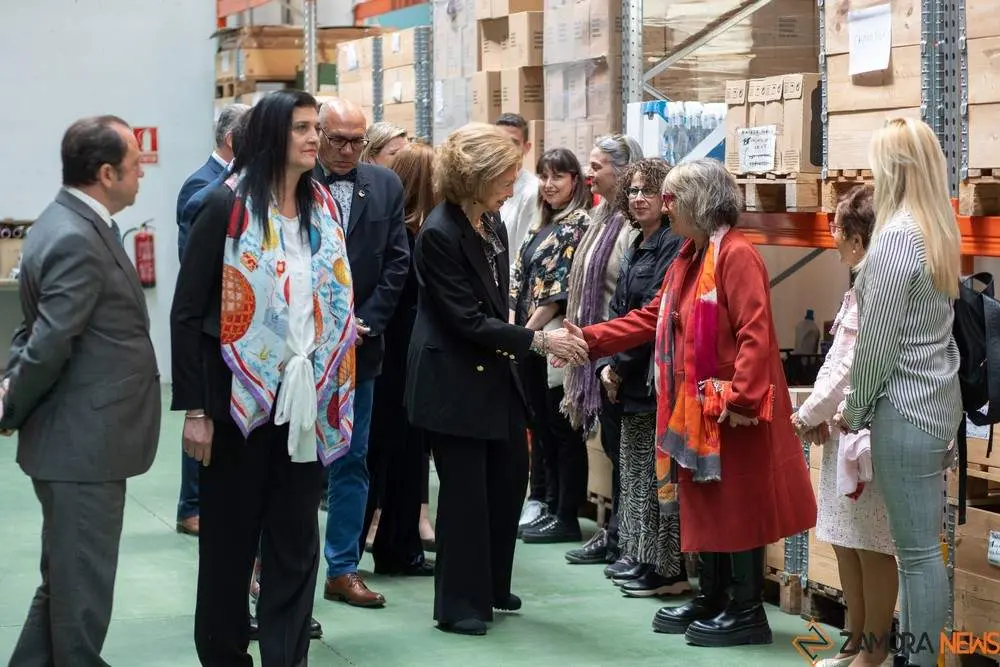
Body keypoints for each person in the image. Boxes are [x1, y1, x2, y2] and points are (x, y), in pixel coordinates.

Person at [559, 158, 816, 646]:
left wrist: (741, 400)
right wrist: (589, 339)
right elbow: (652, 316)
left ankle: (746, 610)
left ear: (698, 203)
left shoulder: (737, 255)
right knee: (709, 502)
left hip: (732, 410)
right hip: (699, 408)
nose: (665, 206)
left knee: (737, 505)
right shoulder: (691, 255)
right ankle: (713, 597)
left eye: (672, 198)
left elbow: (755, 333)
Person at [170, 89, 357, 666]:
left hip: (307, 401)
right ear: (272, 135)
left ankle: (286, 656)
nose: (314, 138)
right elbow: (187, 313)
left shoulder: (323, 207)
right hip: (238, 402)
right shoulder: (223, 206)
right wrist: (196, 410)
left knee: (296, 541)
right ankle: (224, 655)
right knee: (229, 544)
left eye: (315, 127)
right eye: (302, 127)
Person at [405, 123, 588, 636]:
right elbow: (465, 319)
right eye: (506, 177)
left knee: (509, 475)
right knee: (464, 493)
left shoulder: (491, 223)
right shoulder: (439, 234)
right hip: (452, 376)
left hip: (492, 367)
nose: (514, 186)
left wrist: (521, 336)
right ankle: (459, 604)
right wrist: (539, 341)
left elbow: (496, 302)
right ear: (476, 177)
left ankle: (490, 582)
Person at [0, 115, 160, 666]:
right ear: (106, 173)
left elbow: (35, 329)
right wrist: (10, 404)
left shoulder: (66, 222)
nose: (142, 175)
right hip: (82, 443)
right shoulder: (75, 236)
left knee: (65, 582)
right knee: (82, 592)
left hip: (79, 439)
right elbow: (48, 342)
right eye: (135, 166)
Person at [836, 117, 963, 667]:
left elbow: (877, 342)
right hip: (935, 406)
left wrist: (855, 408)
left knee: (916, 556)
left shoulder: (894, 239)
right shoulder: (938, 231)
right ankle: (916, 658)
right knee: (919, 554)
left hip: (903, 410)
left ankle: (919, 660)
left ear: (892, 168)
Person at [792, 185, 898, 667]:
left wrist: (806, 414)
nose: (831, 235)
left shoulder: (876, 285)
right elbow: (836, 361)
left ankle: (874, 653)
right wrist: (818, 414)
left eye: (836, 226)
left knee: (872, 546)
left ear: (857, 237)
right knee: (845, 541)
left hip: (868, 431)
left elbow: (851, 365)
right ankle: (855, 643)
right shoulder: (861, 282)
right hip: (842, 430)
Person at [316, 97, 409, 609]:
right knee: (293, 463)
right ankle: (267, 565)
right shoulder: (293, 182)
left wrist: (365, 322)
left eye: (357, 141)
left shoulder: (386, 185)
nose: (347, 150)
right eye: (337, 140)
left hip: (361, 348)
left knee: (353, 459)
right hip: (303, 351)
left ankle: (342, 568)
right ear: (318, 135)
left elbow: (397, 261)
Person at [597, 158, 688, 597]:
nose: (638, 198)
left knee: (657, 479)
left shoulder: (672, 244)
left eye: (648, 191)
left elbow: (653, 315)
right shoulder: (637, 243)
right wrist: (610, 365)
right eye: (632, 191)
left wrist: (618, 365)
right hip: (629, 374)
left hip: (652, 377)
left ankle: (666, 568)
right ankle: (640, 555)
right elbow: (620, 310)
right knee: (634, 473)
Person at [559, 134, 644, 568]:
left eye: (597, 166)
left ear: (622, 170)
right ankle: (615, 535)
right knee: (612, 448)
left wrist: (613, 360)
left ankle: (625, 540)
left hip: (620, 354)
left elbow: (629, 301)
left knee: (624, 452)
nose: (588, 173)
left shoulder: (632, 226)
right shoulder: (600, 217)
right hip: (596, 351)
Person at [174, 101, 250, 537]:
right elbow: (194, 260)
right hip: (214, 319)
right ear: (234, 141)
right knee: (202, 421)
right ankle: (192, 507)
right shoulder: (205, 186)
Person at [510, 147, 592, 544]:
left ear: (575, 181)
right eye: (543, 176)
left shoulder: (576, 225)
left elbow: (557, 293)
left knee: (562, 430)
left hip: (554, 338)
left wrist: (523, 334)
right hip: (532, 340)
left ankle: (565, 515)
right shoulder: (541, 222)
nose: (548, 184)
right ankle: (546, 504)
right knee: (541, 427)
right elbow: (520, 277)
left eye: (557, 176)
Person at [366, 141, 438, 575]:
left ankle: (394, 546)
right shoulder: (414, 238)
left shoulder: (400, 234)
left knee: (395, 457)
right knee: (398, 456)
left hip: (394, 356)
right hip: (401, 359)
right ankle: (394, 548)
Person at [496, 113, 540, 264]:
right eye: (500, 141)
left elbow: (523, 257)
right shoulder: (485, 187)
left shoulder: (532, 191)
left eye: (514, 142)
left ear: (527, 147)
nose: (506, 148)